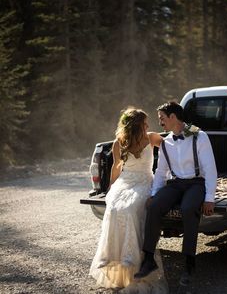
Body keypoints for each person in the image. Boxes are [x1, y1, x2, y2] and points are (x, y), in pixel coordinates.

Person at [134, 101, 217, 286]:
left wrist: (209, 198)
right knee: (154, 206)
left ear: (173, 117)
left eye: (162, 118)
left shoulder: (199, 136)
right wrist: (155, 193)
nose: (160, 122)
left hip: (197, 183)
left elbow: (210, 169)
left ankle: (189, 263)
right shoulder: (166, 142)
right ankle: (148, 259)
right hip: (176, 183)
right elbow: (161, 171)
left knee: (188, 209)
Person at [89, 107, 168, 293]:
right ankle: (119, 266)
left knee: (132, 209)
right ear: (135, 125)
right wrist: (110, 188)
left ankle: (137, 264)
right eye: (144, 123)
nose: (148, 125)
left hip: (144, 181)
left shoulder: (151, 137)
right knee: (116, 208)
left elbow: (171, 149)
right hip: (126, 181)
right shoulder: (119, 142)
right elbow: (116, 167)